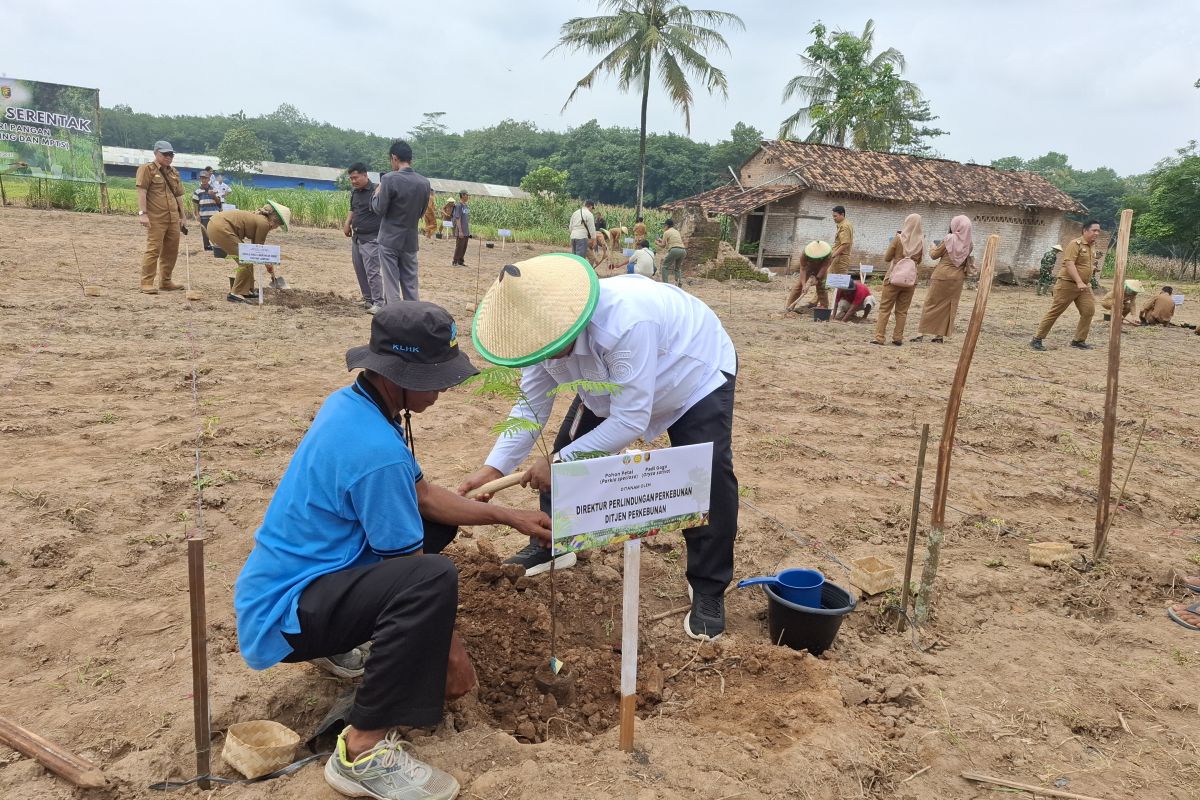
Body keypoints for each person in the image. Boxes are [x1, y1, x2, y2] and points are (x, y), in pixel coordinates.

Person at [234, 303, 551, 800]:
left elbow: (422, 496)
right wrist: (452, 659)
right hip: (285, 613)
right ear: (397, 375)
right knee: (432, 578)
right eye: (435, 377)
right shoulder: (373, 451)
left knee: (430, 532)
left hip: (296, 581)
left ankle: (349, 641)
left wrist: (509, 515)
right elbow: (412, 572)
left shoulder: (356, 404)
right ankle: (361, 752)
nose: (444, 388)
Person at [458, 254, 738, 641]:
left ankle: (708, 586)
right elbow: (531, 404)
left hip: (690, 376)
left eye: (552, 349)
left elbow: (630, 420)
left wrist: (559, 462)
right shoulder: (535, 335)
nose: (544, 357)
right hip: (610, 388)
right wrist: (496, 467)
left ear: (571, 321)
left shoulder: (625, 322)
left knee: (705, 477)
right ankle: (555, 542)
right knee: (569, 442)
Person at [371, 139, 431, 303]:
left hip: (389, 240)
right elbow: (421, 212)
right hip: (410, 241)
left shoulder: (389, 179)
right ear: (410, 159)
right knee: (411, 286)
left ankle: (395, 320)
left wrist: (376, 193)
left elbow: (379, 209)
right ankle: (413, 319)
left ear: (394, 158)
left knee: (391, 285)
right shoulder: (425, 183)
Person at [1031, 220, 1103, 351]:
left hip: (1084, 287)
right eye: (1094, 230)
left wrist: (1092, 269)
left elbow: (1084, 264)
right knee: (1055, 311)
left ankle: (1078, 340)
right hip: (1067, 284)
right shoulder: (1075, 244)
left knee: (1088, 311)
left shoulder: (1092, 246)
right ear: (1085, 231)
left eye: (1098, 231)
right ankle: (1037, 339)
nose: (1097, 233)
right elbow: (1069, 264)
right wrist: (1079, 281)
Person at [207, 202, 290, 303]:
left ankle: (246, 291)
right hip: (220, 228)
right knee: (245, 260)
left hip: (216, 224)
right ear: (275, 220)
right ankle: (234, 294)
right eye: (278, 225)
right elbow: (259, 249)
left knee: (247, 258)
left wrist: (267, 263)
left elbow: (254, 250)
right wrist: (269, 265)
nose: (276, 227)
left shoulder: (260, 219)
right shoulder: (264, 223)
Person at [135, 140, 187, 294]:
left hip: (173, 218)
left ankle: (165, 281)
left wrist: (182, 216)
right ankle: (146, 282)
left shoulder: (174, 172)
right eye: (164, 154)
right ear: (156, 153)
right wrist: (143, 214)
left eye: (170, 154)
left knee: (171, 251)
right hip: (156, 218)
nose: (168, 157)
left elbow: (178, 196)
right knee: (154, 249)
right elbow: (142, 192)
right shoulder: (147, 169)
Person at [913, 215, 975, 344]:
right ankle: (939, 336)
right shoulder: (969, 244)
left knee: (931, 303)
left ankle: (921, 333)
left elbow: (934, 255)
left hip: (941, 276)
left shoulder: (949, 239)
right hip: (957, 279)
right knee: (948, 306)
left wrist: (932, 246)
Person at [872, 214, 924, 346]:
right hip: (910, 280)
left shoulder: (898, 239)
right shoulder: (921, 242)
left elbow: (887, 257)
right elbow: (919, 261)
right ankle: (898, 337)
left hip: (893, 278)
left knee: (885, 308)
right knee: (902, 311)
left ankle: (879, 337)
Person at [344, 163, 384, 314]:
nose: (353, 181)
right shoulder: (355, 192)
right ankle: (368, 300)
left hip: (372, 238)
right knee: (360, 269)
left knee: (372, 272)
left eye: (356, 177)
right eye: (351, 178)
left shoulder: (377, 190)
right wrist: (347, 223)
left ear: (365, 175)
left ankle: (379, 302)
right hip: (357, 237)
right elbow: (353, 209)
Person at [784, 240, 832, 311]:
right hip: (808, 267)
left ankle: (824, 308)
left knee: (822, 286)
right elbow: (803, 269)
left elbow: (825, 266)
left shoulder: (828, 254)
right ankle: (789, 307)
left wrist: (817, 278)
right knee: (799, 286)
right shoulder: (804, 254)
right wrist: (804, 285)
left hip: (821, 268)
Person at [191, 170, 221, 253]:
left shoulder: (214, 190)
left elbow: (219, 202)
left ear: (209, 179)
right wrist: (197, 215)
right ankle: (207, 246)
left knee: (215, 231)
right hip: (203, 215)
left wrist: (213, 195)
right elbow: (195, 205)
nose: (203, 180)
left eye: (205, 178)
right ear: (200, 179)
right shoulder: (197, 191)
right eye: (202, 178)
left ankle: (217, 246)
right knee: (205, 232)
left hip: (215, 214)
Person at [658, 218, 686, 287]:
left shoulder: (666, 232)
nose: (664, 227)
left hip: (674, 250)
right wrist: (661, 240)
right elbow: (671, 244)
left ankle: (665, 284)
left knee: (664, 267)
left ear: (667, 226)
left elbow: (663, 245)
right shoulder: (676, 231)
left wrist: (657, 243)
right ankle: (679, 282)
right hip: (683, 250)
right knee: (677, 268)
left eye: (664, 225)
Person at [829, 205, 854, 276]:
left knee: (840, 282)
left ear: (842, 214)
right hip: (839, 257)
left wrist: (833, 255)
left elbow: (845, 244)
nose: (833, 218)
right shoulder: (844, 224)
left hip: (840, 258)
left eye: (835, 216)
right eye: (833, 216)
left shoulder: (844, 226)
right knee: (834, 281)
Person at [451, 190, 470, 267]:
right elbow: (458, 219)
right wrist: (460, 231)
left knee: (464, 246)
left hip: (466, 230)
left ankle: (460, 261)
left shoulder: (466, 205)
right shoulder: (458, 206)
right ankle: (455, 261)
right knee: (459, 246)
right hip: (461, 230)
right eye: (466, 195)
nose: (468, 197)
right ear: (462, 195)